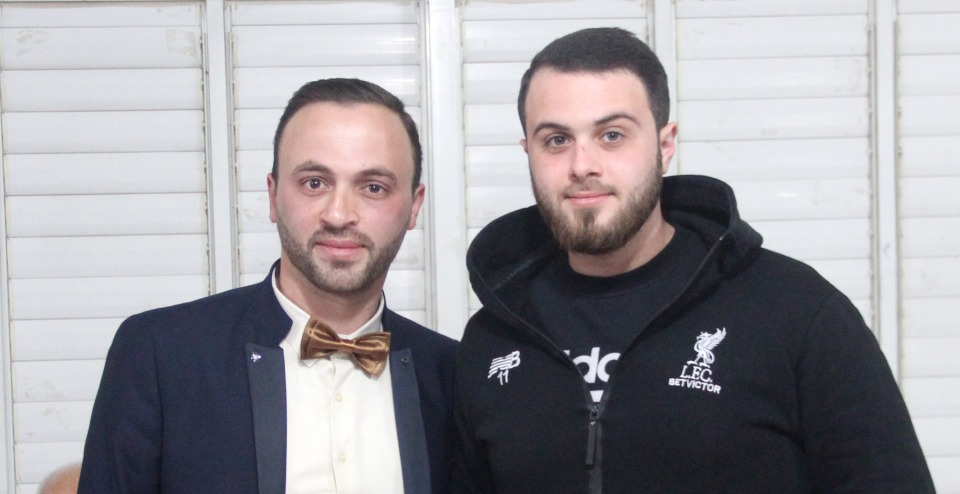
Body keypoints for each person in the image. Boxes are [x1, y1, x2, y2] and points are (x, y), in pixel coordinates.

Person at [450, 27, 935, 493]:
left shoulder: (797, 312)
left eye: (612, 135)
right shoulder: (494, 338)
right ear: (528, 152)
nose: (582, 166)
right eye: (556, 140)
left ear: (665, 146)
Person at [79, 78, 457, 493]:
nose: (338, 214)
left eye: (373, 188)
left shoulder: (455, 376)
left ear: (413, 206)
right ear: (273, 196)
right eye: (315, 182)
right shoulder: (160, 354)